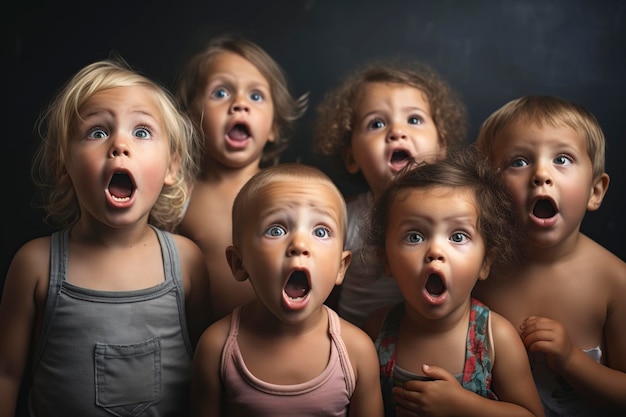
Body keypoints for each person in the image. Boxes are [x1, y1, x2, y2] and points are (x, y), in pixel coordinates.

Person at [0, 57, 213, 417]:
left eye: (141, 132)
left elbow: (208, 375)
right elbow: (6, 374)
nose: (119, 145)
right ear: (63, 166)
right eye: (97, 132)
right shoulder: (36, 264)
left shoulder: (187, 261)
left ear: (172, 167)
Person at [362, 146, 545, 417]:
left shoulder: (496, 339)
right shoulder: (377, 331)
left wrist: (466, 406)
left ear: (485, 262)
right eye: (414, 237)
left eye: (458, 237)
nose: (436, 251)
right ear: (386, 259)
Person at [190, 163, 384, 417]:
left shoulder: (357, 351)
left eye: (320, 231)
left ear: (341, 267)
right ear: (239, 264)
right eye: (276, 230)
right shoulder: (216, 348)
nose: (299, 245)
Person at [473, 95, 626, 416]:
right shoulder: (479, 272)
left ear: (595, 191)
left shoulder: (615, 283)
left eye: (562, 159)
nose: (541, 174)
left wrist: (571, 360)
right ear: (489, 192)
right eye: (519, 161)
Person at [313, 58, 468, 327]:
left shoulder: (464, 210)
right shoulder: (343, 217)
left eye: (414, 119)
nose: (397, 131)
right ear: (352, 157)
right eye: (376, 124)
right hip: (359, 347)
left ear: (442, 144)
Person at [175, 34, 308, 320]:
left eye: (256, 96)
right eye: (220, 93)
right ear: (191, 119)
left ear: (273, 126)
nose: (239, 104)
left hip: (280, 337)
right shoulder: (180, 196)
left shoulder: (288, 191)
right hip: (205, 342)